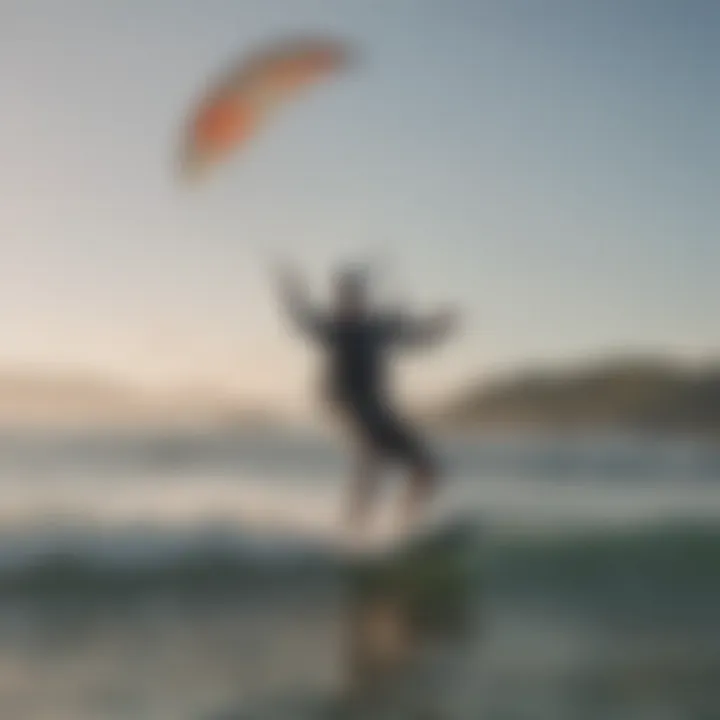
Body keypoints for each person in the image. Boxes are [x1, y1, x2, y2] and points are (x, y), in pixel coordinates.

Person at [275, 262, 458, 534]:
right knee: (372, 455)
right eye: (345, 297)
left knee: (428, 469)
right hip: (345, 403)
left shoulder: (376, 328)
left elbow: (415, 336)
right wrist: (291, 289)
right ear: (339, 300)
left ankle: (405, 530)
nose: (350, 303)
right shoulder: (334, 328)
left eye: (356, 296)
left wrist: (438, 326)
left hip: (378, 409)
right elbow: (302, 318)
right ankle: (354, 533)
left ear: (363, 298)